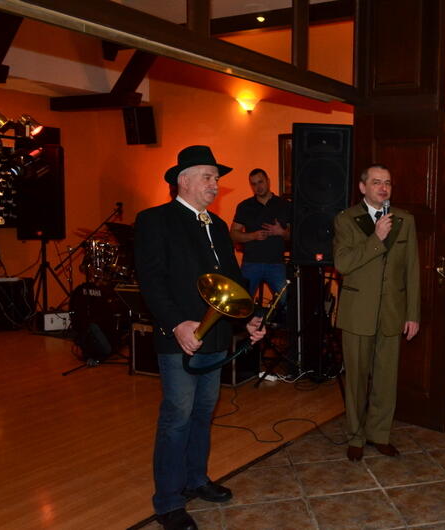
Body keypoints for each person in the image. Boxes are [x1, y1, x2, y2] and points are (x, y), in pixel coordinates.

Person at [135, 145, 266, 530]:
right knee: (177, 417)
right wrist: (177, 323)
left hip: (216, 337)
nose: (215, 184)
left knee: (203, 412)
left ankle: (196, 479)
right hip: (180, 338)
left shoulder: (218, 226)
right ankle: (168, 502)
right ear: (184, 180)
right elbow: (151, 281)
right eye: (208, 177)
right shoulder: (155, 220)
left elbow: (233, 281)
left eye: (216, 178)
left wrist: (250, 318)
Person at [333, 164, 420, 462]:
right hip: (357, 313)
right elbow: (343, 264)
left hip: (393, 313)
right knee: (356, 382)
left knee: (385, 380)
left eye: (388, 183)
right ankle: (355, 436)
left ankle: (379, 434)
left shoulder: (405, 220)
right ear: (363, 187)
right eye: (376, 182)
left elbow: (412, 270)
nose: (383, 188)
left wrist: (413, 313)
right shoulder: (345, 219)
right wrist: (376, 239)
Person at [230, 168, 292, 317]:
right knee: (241, 305)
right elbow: (233, 234)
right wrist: (253, 235)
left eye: (261, 182)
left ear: (268, 181)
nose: (258, 187)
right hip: (251, 264)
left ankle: (279, 329)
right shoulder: (244, 206)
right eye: (254, 184)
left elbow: (294, 236)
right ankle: (246, 331)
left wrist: (281, 232)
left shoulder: (284, 205)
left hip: (276, 264)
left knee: (287, 303)